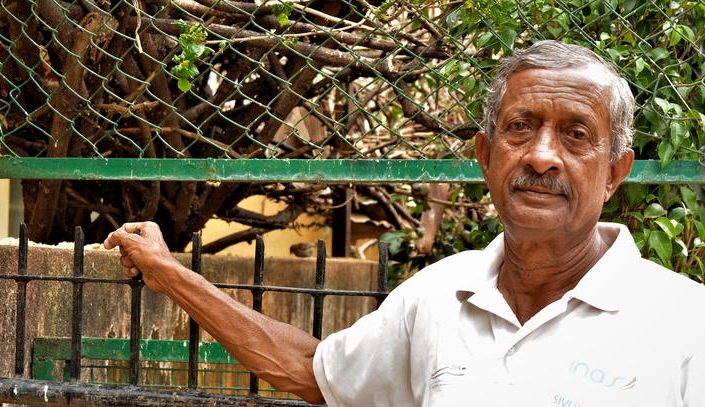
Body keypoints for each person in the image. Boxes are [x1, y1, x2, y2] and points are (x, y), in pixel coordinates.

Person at [104, 41, 705, 406]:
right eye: (521, 127)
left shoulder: (684, 326)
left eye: (576, 135)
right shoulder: (439, 296)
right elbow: (314, 373)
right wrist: (170, 274)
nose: (542, 156)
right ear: (485, 155)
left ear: (616, 172)